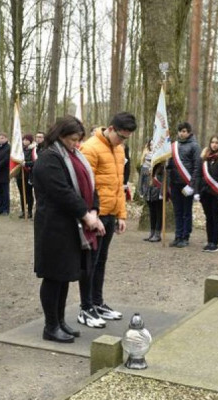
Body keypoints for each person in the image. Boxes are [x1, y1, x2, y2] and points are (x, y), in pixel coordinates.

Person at [32, 115, 104, 343]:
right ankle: (50, 326)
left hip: (72, 227)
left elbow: (89, 185)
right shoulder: (48, 159)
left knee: (64, 276)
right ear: (61, 135)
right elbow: (62, 192)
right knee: (54, 276)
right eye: (73, 139)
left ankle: (61, 321)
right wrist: (85, 215)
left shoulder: (75, 156)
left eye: (79, 139)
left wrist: (93, 209)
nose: (77, 144)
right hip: (53, 226)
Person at [76, 112, 135, 327]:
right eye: (120, 136)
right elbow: (85, 186)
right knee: (89, 261)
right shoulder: (90, 148)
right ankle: (85, 307)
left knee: (101, 260)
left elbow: (118, 185)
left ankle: (97, 302)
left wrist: (121, 214)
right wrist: (92, 215)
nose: (122, 141)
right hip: (94, 216)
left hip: (111, 214)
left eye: (126, 138)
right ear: (110, 129)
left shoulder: (119, 149)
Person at [166, 122, 202, 248]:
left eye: (184, 131)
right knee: (177, 211)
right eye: (180, 131)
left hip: (187, 184)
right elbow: (170, 165)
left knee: (186, 212)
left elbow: (197, 167)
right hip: (175, 184)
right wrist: (166, 166)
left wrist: (192, 185)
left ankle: (185, 236)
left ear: (189, 132)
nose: (182, 133)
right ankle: (178, 236)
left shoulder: (195, 146)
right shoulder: (173, 146)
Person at [195, 135, 218, 252]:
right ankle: (209, 241)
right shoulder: (205, 158)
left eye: (217, 143)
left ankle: (215, 243)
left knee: (216, 217)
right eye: (212, 142)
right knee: (208, 217)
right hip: (205, 192)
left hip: (217, 193)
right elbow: (199, 175)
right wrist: (196, 191)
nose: (214, 145)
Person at [138, 139, 163, 243]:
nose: (152, 146)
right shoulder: (144, 161)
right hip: (147, 190)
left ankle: (158, 233)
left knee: (158, 211)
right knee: (152, 211)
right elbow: (142, 178)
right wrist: (141, 189)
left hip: (157, 189)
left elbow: (163, 177)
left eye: (154, 144)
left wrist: (162, 191)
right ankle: (152, 232)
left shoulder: (161, 161)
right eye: (150, 144)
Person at [16, 133, 35, 219]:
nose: (25, 141)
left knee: (29, 193)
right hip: (20, 174)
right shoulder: (20, 150)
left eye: (27, 140)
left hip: (28, 174)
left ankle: (30, 211)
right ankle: (23, 210)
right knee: (21, 193)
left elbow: (34, 161)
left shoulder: (33, 150)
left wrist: (26, 163)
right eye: (24, 140)